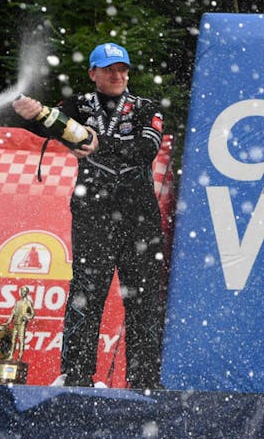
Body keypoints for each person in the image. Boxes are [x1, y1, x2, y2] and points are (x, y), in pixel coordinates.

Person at [12, 42, 166, 389]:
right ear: (93, 73)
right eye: (109, 69)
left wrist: (100, 144)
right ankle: (76, 377)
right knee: (85, 294)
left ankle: (144, 382)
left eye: (123, 69)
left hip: (139, 219)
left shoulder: (146, 108)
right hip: (92, 213)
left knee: (143, 302)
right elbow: (47, 124)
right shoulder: (78, 105)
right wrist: (30, 111)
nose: (117, 75)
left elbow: (145, 150)